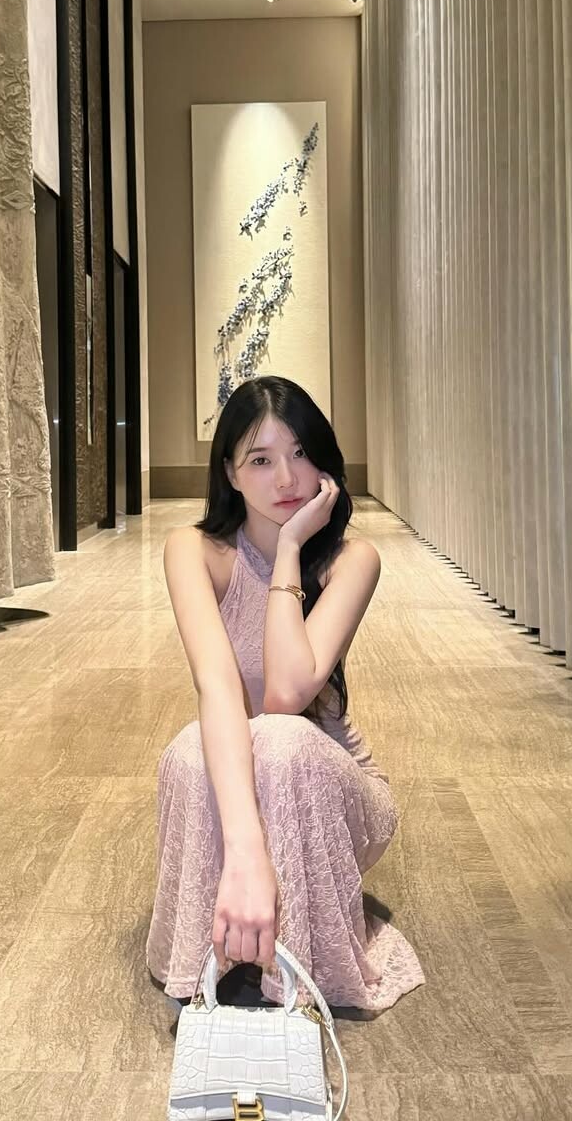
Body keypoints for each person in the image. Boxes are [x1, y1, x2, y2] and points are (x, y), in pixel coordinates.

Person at [145, 375, 425, 1012]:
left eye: (300, 453)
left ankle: (295, 973)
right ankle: (206, 957)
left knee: (280, 737)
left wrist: (292, 548)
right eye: (261, 460)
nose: (287, 478)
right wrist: (246, 847)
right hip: (252, 768)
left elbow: (285, 693)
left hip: (329, 784)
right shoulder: (193, 551)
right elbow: (218, 688)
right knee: (189, 751)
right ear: (230, 473)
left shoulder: (352, 560)